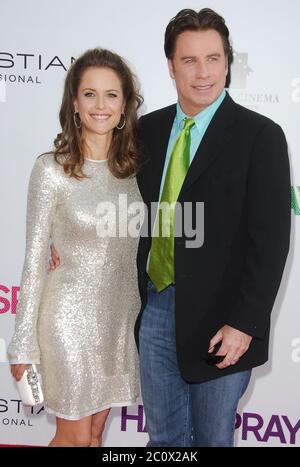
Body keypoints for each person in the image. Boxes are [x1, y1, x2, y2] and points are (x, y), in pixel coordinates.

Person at [134, 8, 291, 446]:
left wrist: (244, 322)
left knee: (210, 439)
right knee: (163, 440)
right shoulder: (148, 130)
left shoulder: (260, 136)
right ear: (170, 65)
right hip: (156, 307)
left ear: (227, 62)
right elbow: (127, 210)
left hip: (223, 321)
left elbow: (272, 240)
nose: (203, 73)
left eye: (213, 59)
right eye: (189, 60)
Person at [8, 48, 143, 447]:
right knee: (73, 436)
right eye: (89, 94)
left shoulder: (136, 172)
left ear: (124, 107)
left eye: (111, 95)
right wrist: (22, 344)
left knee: (96, 434)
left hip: (120, 324)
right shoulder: (52, 169)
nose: (100, 105)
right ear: (74, 103)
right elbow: (34, 260)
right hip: (67, 321)